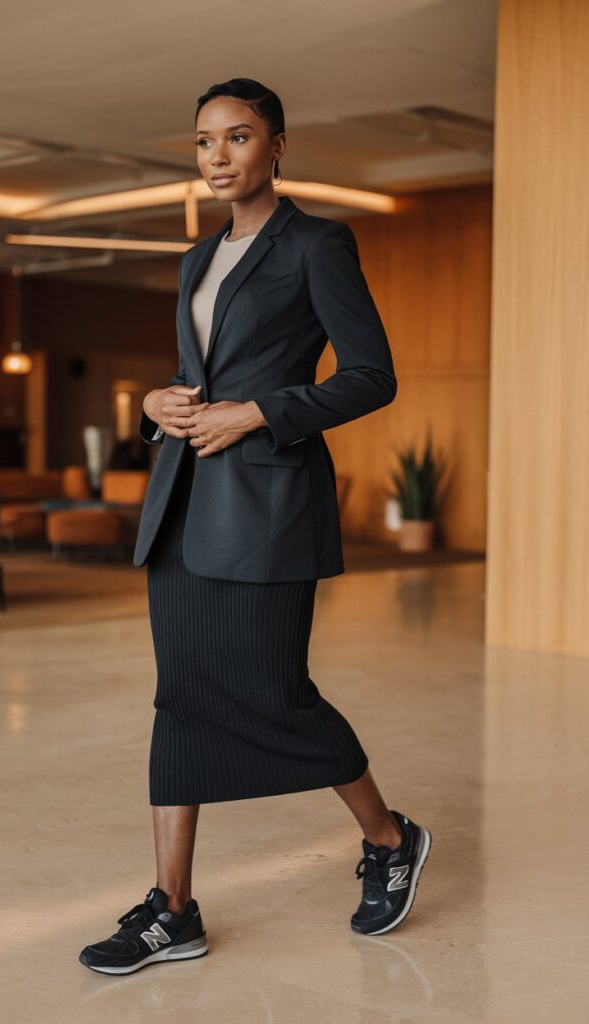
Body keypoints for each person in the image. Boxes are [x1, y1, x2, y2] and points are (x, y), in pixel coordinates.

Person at [79, 78, 431, 977]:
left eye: (238, 137)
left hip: (269, 507)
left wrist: (260, 413)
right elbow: (201, 370)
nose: (219, 156)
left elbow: (370, 375)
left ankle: (390, 839)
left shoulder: (317, 244)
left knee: (276, 692)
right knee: (181, 699)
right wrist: (162, 403)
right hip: (184, 506)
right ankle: (173, 908)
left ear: (277, 145)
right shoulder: (197, 260)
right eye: (204, 142)